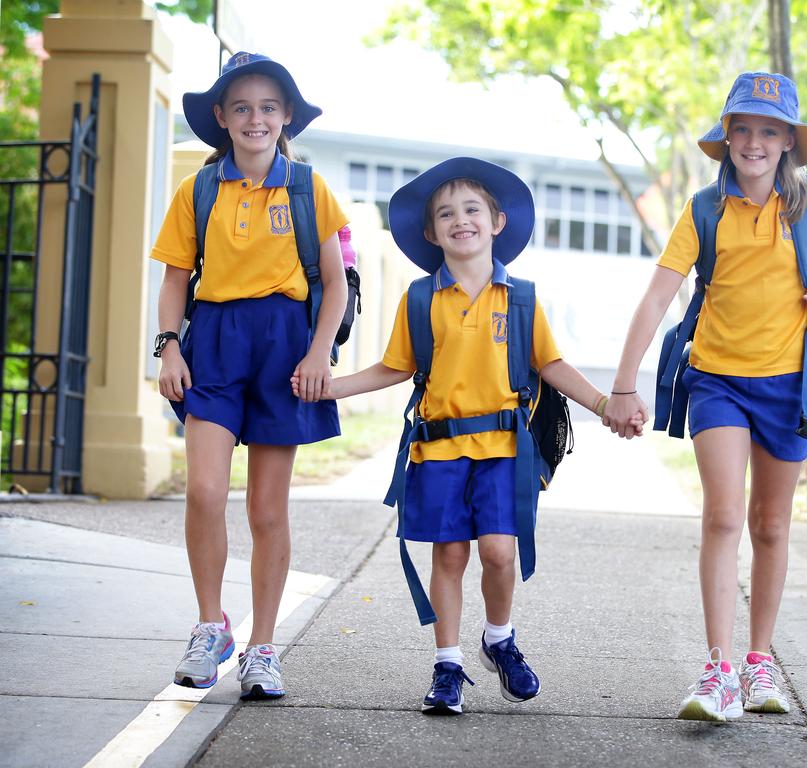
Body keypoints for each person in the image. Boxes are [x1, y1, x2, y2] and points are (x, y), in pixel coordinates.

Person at [296, 157, 634, 715]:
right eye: (446, 214)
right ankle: (447, 664)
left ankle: (498, 638)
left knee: (500, 554)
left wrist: (604, 405)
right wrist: (331, 388)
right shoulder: (422, 298)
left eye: (472, 209)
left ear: (497, 221)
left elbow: (550, 365)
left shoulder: (520, 298)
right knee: (449, 556)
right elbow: (394, 367)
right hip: (438, 450)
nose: (460, 220)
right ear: (431, 233)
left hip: (504, 450)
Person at [604, 72, 807, 721]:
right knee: (723, 516)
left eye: (768, 131)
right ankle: (717, 669)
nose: (753, 141)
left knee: (771, 525)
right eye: (741, 128)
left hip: (788, 384)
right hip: (716, 380)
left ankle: (758, 662)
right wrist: (623, 382)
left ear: (787, 144)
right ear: (727, 138)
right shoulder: (703, 211)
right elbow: (659, 295)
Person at [151, 52, 348, 700]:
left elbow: (336, 284)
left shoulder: (308, 188)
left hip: (284, 346)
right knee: (204, 491)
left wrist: (318, 354)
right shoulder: (198, 190)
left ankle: (263, 649)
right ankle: (212, 627)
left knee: (267, 509)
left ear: (285, 116)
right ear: (221, 118)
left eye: (268, 107)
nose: (255, 118)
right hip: (214, 343)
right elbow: (176, 279)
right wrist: (168, 349)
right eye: (242, 107)